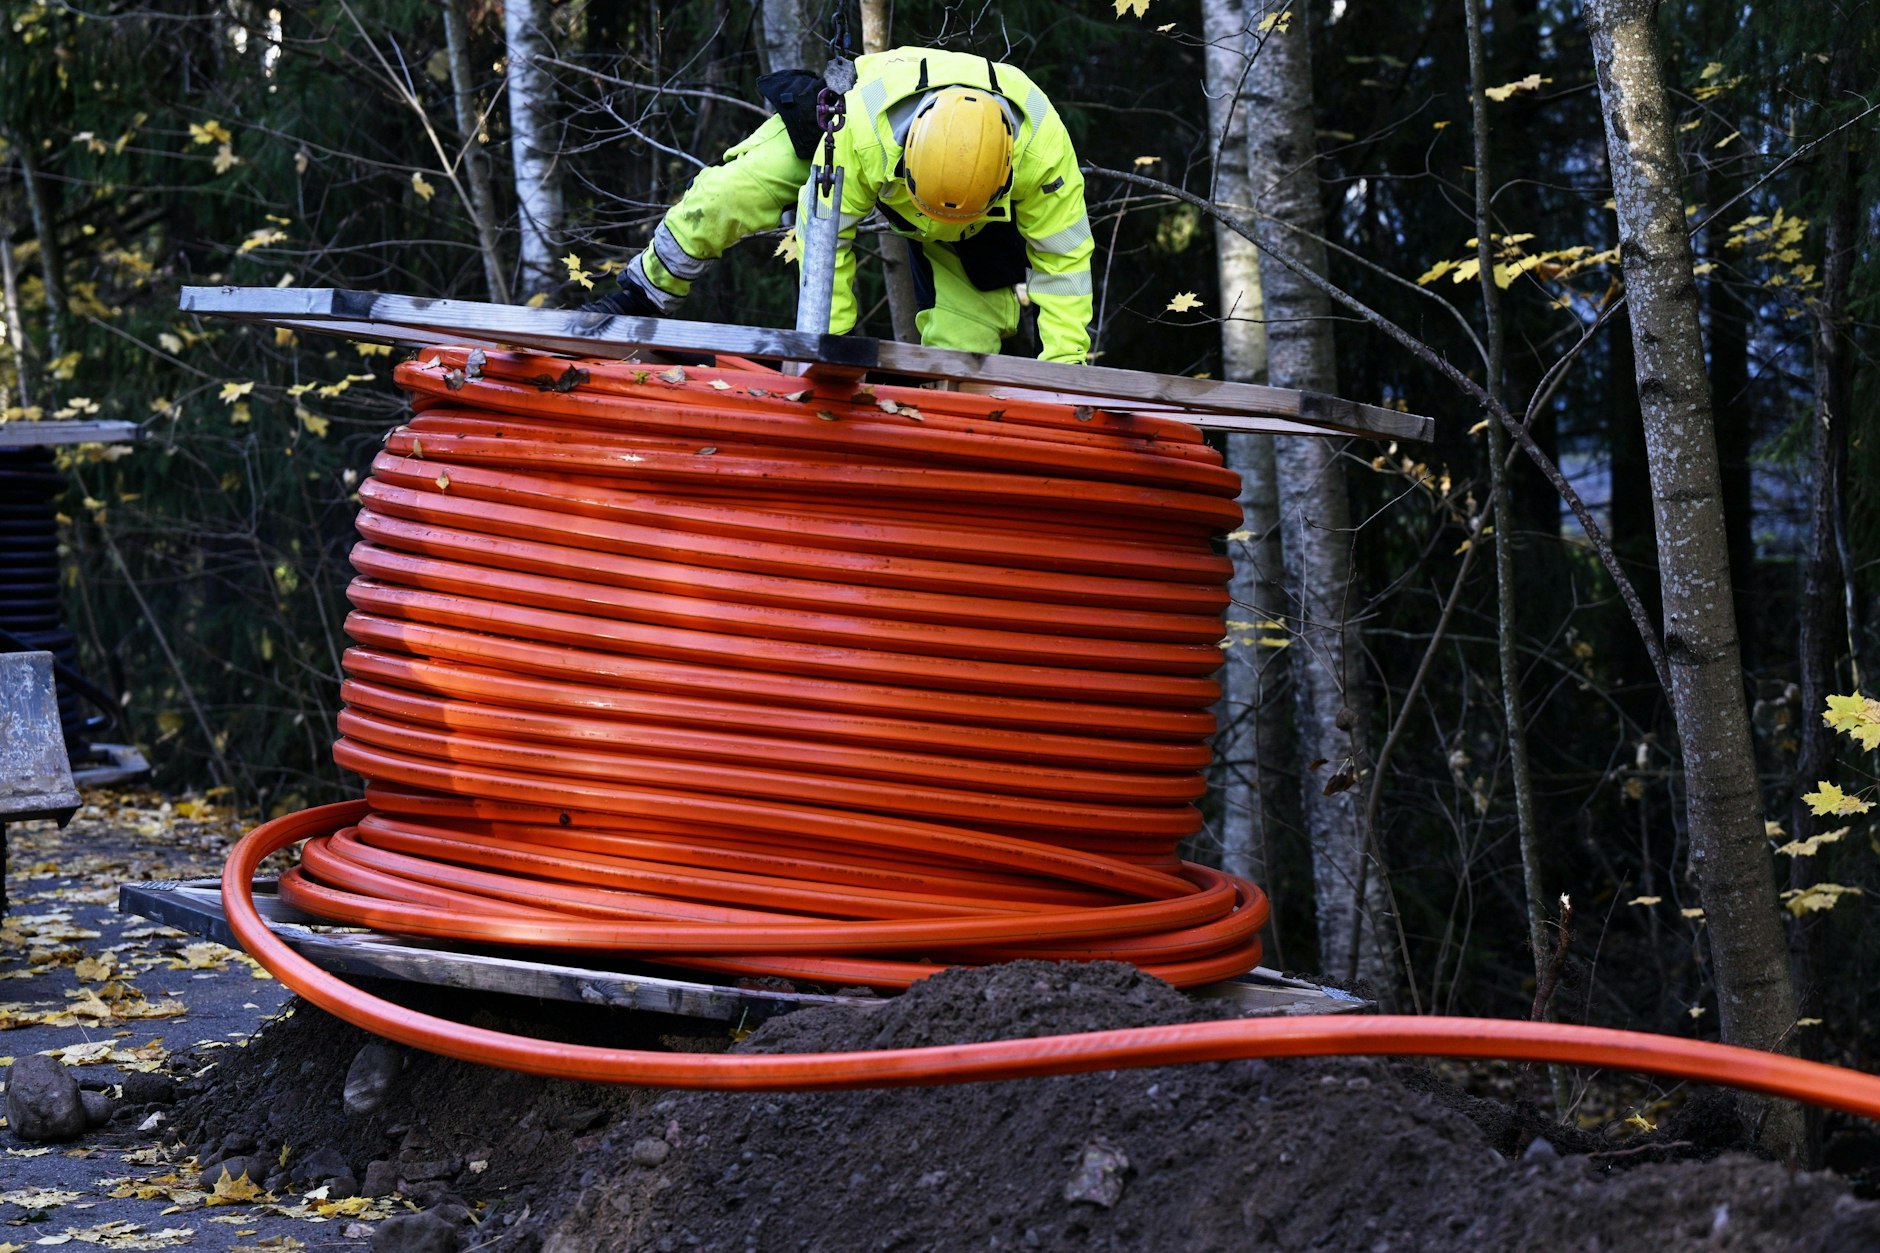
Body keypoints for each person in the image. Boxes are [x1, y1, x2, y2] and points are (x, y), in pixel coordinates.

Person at [580, 46, 1094, 364]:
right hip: (842, 131)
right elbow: (827, 238)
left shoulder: (1045, 156)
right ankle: (642, 296)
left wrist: (1068, 371)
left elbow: (1065, 265)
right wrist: (830, 352)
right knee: (727, 196)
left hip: (975, 227)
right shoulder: (863, 131)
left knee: (967, 355)